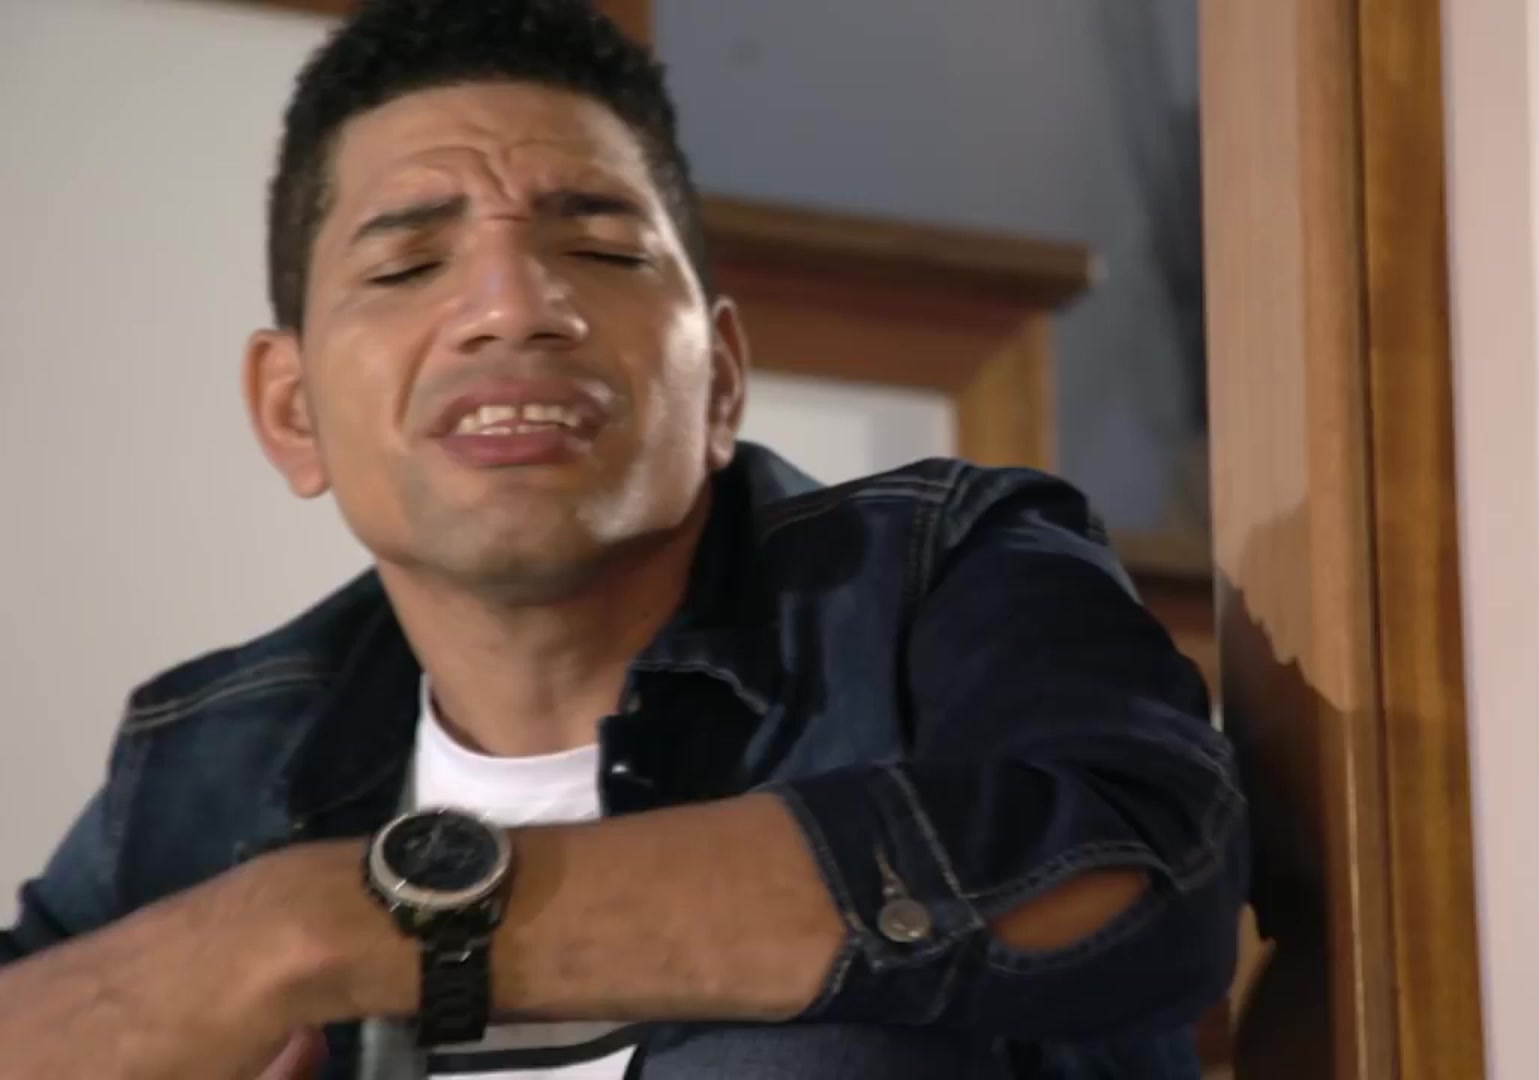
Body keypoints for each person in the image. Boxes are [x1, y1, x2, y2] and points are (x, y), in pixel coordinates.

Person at [0, 0, 1248, 1076]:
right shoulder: (203, 758)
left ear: (723, 382)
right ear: (291, 412)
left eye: (598, 247)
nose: (513, 308)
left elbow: (1147, 873)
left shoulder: (938, 579)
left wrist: (323, 929)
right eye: (406, 267)